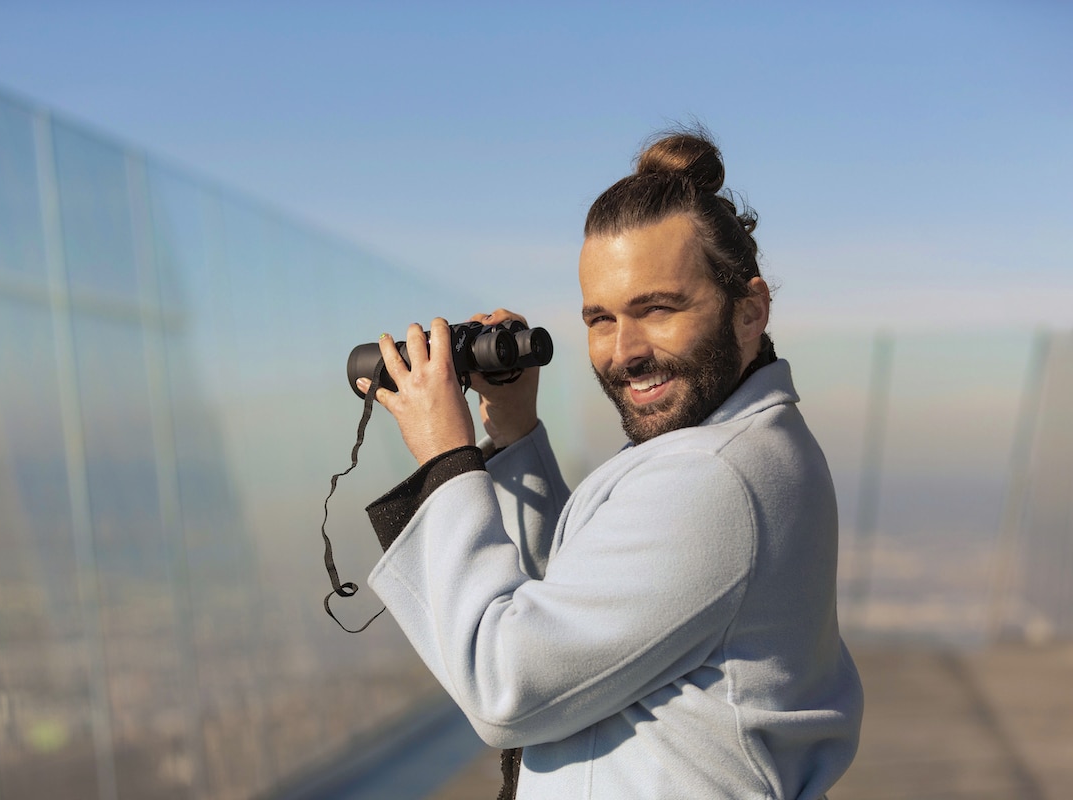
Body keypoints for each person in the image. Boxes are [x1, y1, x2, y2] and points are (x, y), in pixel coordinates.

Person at [353, 127, 863, 799]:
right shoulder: (738, 443)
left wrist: (447, 461)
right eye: (601, 319)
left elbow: (506, 684)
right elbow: (577, 614)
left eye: (657, 309)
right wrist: (512, 432)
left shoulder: (717, 476)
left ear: (749, 310)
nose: (624, 352)